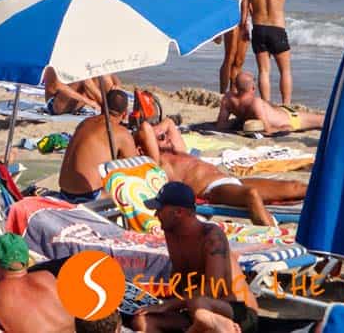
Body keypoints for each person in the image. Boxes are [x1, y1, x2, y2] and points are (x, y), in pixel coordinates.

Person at [132, 182, 258, 333]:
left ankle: (213, 324)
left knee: (198, 303)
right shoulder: (170, 231)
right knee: (142, 322)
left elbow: (213, 290)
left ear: (178, 212)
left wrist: (168, 305)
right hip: (192, 311)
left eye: (159, 209)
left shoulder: (212, 237)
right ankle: (204, 324)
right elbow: (181, 277)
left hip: (237, 312)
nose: (155, 215)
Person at [157, 150, 305, 226]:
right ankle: (274, 236)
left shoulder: (177, 151)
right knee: (251, 195)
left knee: (296, 186)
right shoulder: (162, 162)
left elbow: (168, 123)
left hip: (233, 180)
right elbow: (145, 130)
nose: (165, 137)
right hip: (213, 189)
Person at [240, 0, 305, 105]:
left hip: (259, 28)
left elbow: (244, 6)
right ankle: (286, 105)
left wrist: (243, 27)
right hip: (277, 29)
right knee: (285, 70)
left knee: (264, 71)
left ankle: (266, 105)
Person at [58, 89, 140, 203]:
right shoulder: (121, 133)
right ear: (125, 114)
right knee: (130, 183)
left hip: (64, 192)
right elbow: (134, 168)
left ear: (102, 107)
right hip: (89, 196)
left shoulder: (85, 122)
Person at [217, 72, 323, 135]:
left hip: (283, 112)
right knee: (323, 120)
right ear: (253, 88)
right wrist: (283, 128)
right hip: (290, 119)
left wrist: (239, 122)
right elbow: (268, 130)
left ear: (236, 86)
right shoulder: (255, 103)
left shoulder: (228, 99)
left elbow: (221, 125)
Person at [219, 0, 253, 94]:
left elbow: (252, 3)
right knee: (229, 57)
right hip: (230, 20)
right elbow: (220, 3)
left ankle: (233, 91)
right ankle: (222, 92)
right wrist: (218, 30)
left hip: (245, 20)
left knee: (239, 60)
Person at [43, 69, 120, 115]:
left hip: (73, 103)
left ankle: (111, 107)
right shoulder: (54, 61)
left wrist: (117, 85)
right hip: (55, 105)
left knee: (101, 72)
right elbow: (58, 86)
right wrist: (89, 101)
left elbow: (109, 72)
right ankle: (108, 108)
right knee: (83, 76)